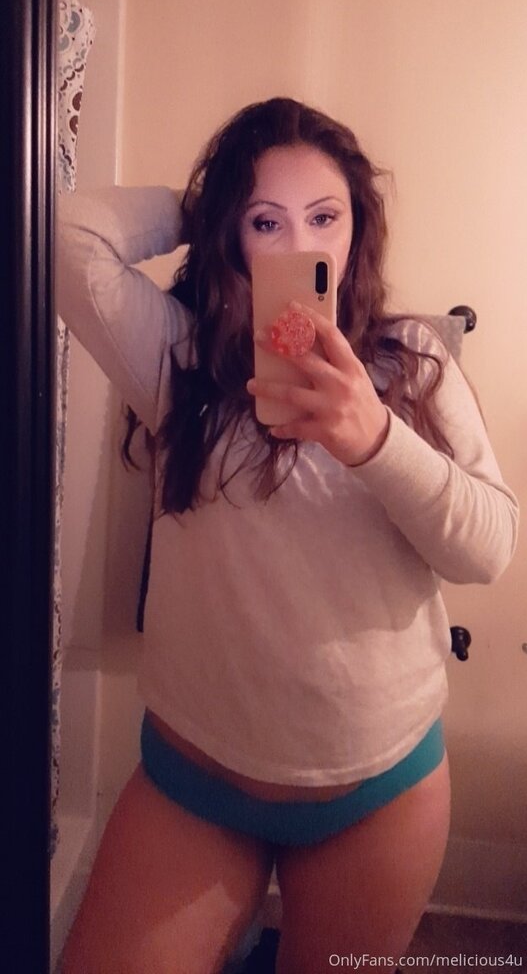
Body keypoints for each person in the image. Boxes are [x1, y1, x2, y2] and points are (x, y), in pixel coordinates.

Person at [57, 98, 518, 974]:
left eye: (323, 218)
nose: (298, 246)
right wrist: (208, 203)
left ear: (356, 231)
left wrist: (374, 439)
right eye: (265, 222)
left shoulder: (413, 364)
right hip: (193, 782)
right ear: (230, 236)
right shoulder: (176, 359)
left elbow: (487, 549)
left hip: (377, 792)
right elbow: (64, 235)